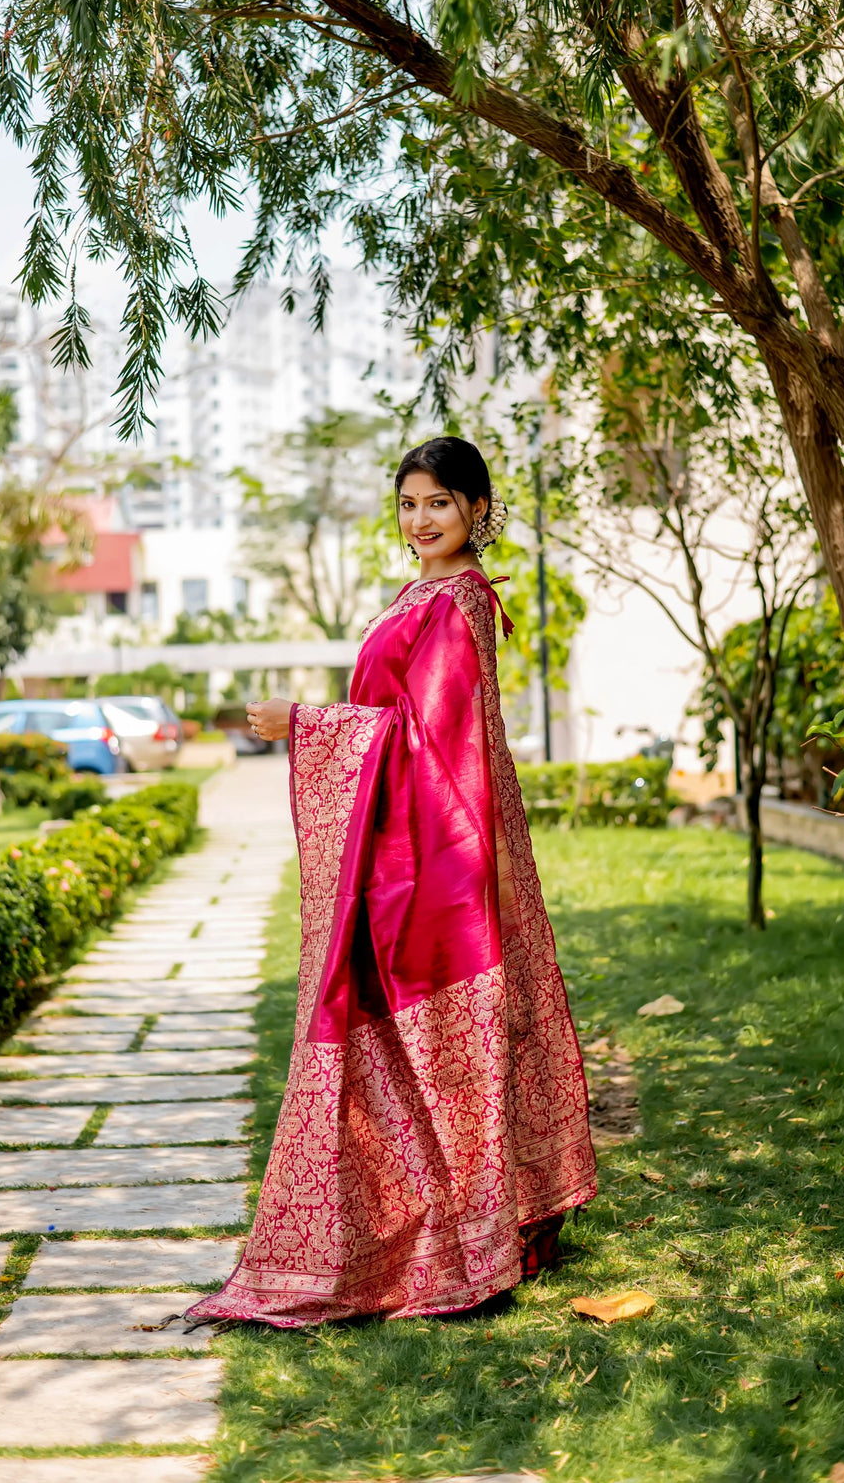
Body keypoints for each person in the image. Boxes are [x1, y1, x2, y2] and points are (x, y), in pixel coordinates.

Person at [183, 435, 596, 1329]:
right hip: (409, 850)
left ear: (478, 510)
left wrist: (304, 721)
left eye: (439, 503)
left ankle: (469, 1234)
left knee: (431, 1047)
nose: (421, 519)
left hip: (435, 863)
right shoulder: (426, 593)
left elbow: (427, 742)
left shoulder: (456, 603)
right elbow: (400, 722)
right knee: (409, 1050)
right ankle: (456, 1223)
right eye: (409, 504)